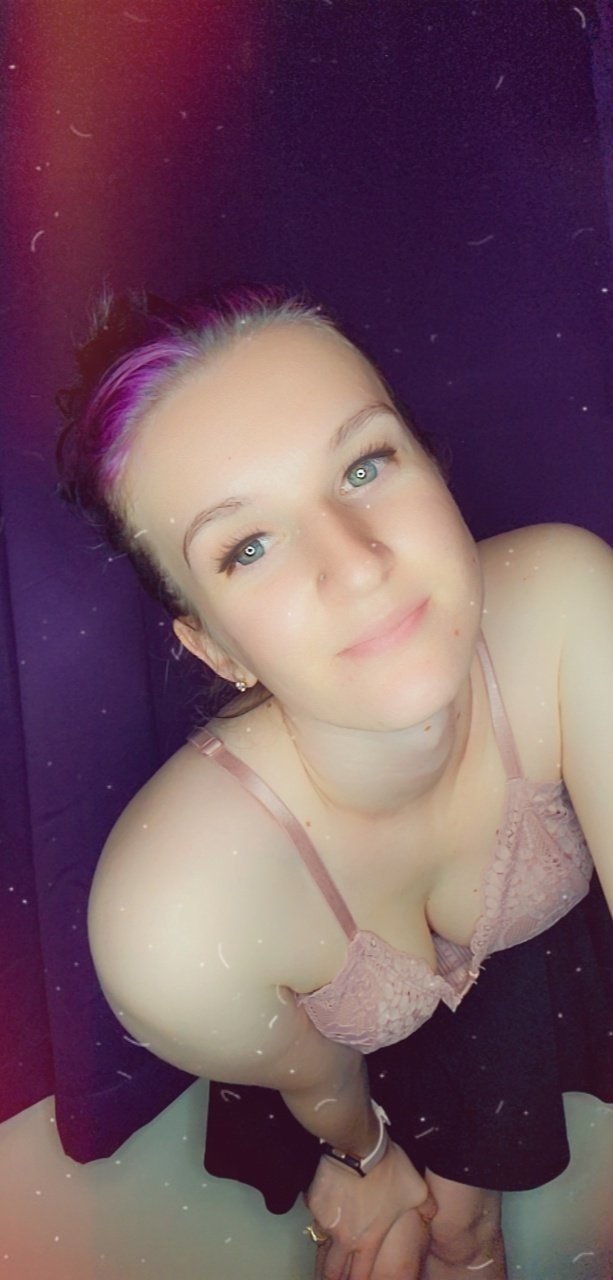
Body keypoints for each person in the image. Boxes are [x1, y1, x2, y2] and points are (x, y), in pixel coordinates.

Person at [56, 287, 612, 1280]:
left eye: (365, 464)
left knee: (466, 1229)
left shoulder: (569, 601)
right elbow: (322, 1081)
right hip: (333, 1059)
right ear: (215, 647)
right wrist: (365, 1157)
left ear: (432, 464)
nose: (357, 566)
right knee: (413, 1242)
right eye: (248, 546)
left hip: (521, 977)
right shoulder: (172, 923)